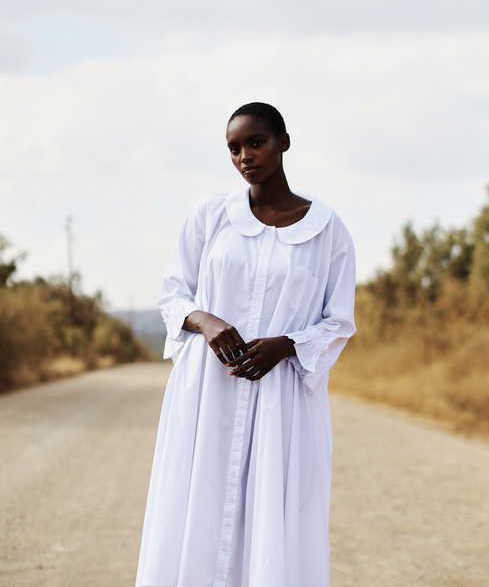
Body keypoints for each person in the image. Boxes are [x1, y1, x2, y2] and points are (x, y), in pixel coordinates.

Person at [135, 102, 356, 587]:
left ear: (283, 142)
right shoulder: (211, 217)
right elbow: (174, 295)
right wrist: (206, 321)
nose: (244, 156)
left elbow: (338, 321)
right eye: (234, 148)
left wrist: (287, 344)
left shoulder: (327, 230)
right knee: (200, 501)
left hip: (282, 400)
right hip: (205, 392)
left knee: (271, 516)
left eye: (255, 142)